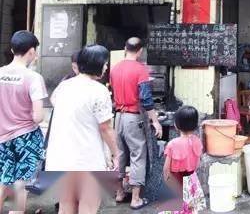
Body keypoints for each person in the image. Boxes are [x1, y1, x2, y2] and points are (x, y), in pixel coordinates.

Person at [46, 44, 119, 171]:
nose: (106, 67)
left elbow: (55, 102)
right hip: (86, 162)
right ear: (97, 65)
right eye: (105, 63)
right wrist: (116, 154)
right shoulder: (99, 91)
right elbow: (105, 128)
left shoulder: (64, 86)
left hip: (57, 161)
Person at [110, 37, 163, 210]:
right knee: (138, 155)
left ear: (125, 48)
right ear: (140, 51)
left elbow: (112, 92)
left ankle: (119, 193)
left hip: (118, 117)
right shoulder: (141, 70)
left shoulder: (115, 68)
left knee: (119, 154)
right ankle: (135, 199)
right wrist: (155, 121)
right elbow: (146, 99)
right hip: (134, 117)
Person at [0, 31, 47, 214]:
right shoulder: (34, 78)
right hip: (26, 136)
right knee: (22, 179)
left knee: (3, 177)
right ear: (32, 51)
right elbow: (38, 117)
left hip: (2, 136)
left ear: (12, 49)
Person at [163, 106, 203, 189]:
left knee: (179, 202)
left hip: (176, 184)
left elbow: (166, 171)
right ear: (195, 124)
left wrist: (173, 187)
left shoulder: (172, 144)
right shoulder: (198, 141)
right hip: (192, 184)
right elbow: (198, 165)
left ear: (176, 125)